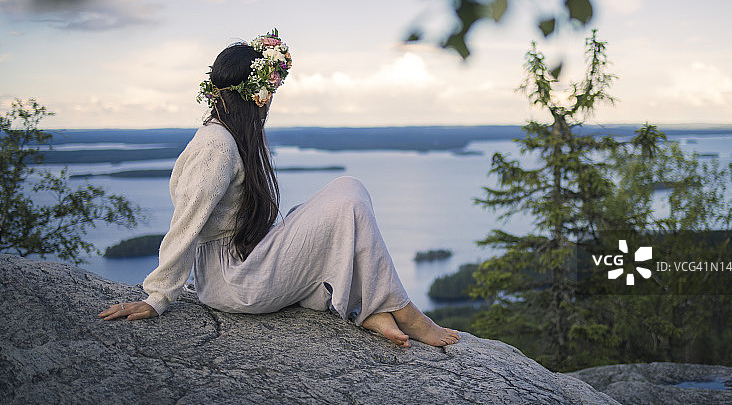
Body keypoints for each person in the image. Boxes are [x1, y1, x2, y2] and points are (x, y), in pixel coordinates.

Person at [98, 31, 460, 348]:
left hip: (243, 265)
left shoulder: (229, 136)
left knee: (345, 193)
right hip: (235, 280)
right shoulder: (216, 146)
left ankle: (371, 308)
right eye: (268, 91)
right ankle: (403, 311)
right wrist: (158, 296)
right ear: (253, 94)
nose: (270, 101)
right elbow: (186, 222)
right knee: (348, 200)